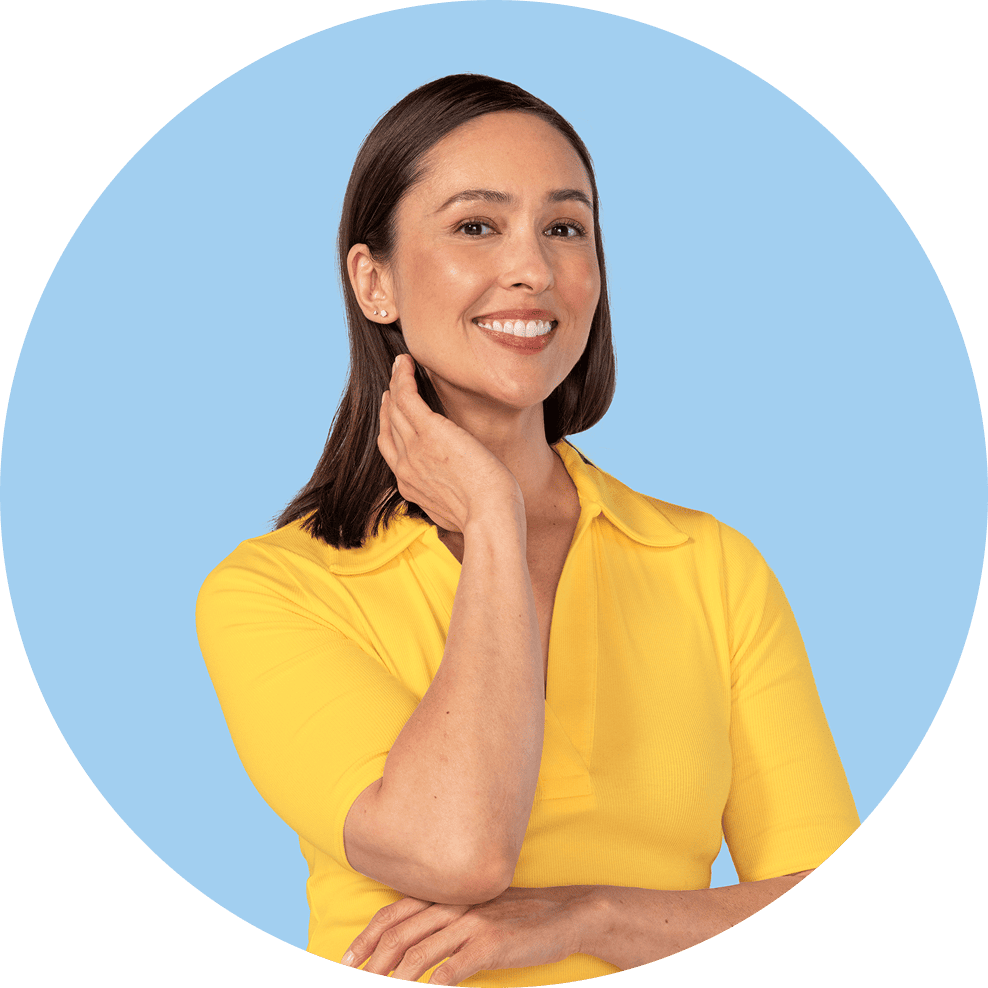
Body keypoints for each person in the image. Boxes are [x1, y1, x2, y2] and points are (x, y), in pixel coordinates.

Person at [195, 74, 858, 986]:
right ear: (373, 280)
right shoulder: (276, 591)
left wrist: (591, 916)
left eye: (564, 227)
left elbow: (840, 915)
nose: (534, 270)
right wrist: (497, 528)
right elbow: (457, 853)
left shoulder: (713, 569)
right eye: (477, 226)